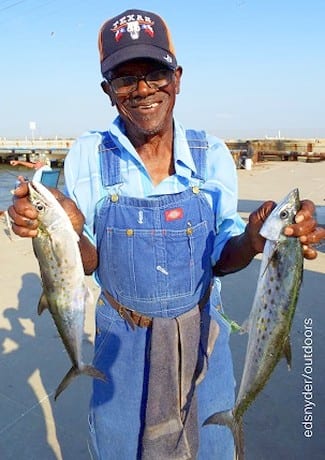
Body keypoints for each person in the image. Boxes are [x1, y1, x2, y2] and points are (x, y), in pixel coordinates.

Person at [8, 9, 325, 460]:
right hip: (120, 342)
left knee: (212, 447)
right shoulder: (87, 154)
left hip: (203, 340)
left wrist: (255, 239)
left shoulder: (211, 154)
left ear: (177, 78)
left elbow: (221, 257)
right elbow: (91, 261)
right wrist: (61, 230)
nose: (141, 90)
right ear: (107, 91)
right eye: (124, 78)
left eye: (155, 72)